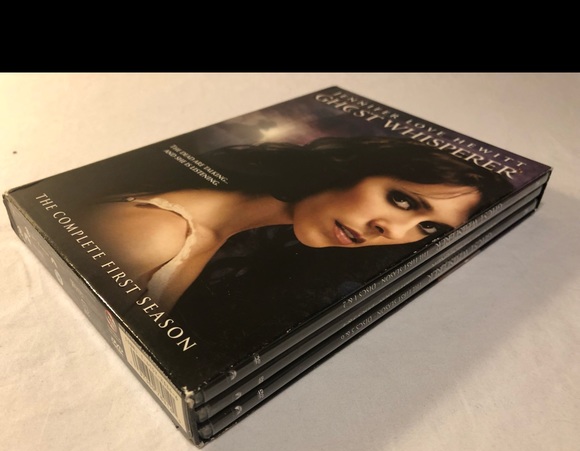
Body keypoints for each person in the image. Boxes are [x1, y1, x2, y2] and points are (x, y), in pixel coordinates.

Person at [81, 136, 513, 312]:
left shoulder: (219, 238)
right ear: (357, 169)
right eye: (401, 200)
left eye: (429, 228)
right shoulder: (158, 234)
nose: (396, 232)